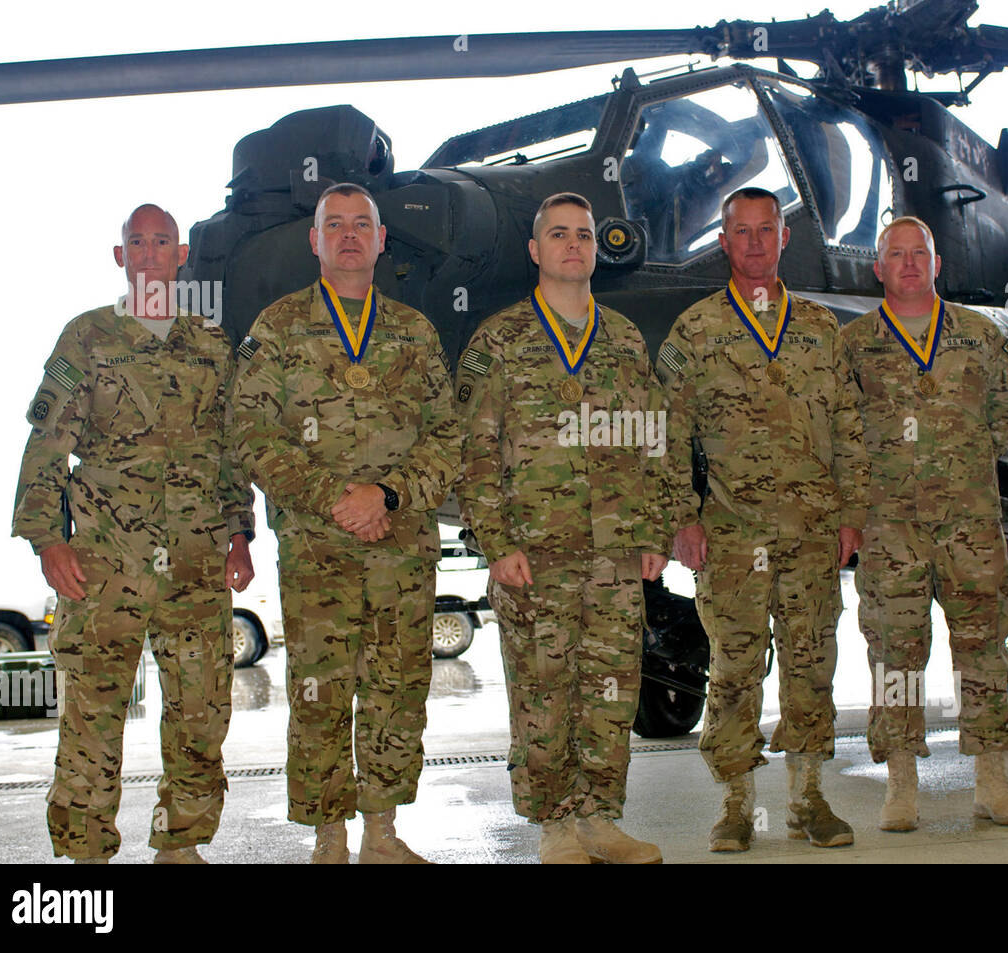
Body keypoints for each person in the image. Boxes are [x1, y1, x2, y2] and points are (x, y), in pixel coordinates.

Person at [13, 204, 255, 864]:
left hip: (197, 563)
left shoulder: (211, 342)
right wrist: (46, 539)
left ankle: (183, 842)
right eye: (136, 242)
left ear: (181, 256)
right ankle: (87, 854)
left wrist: (241, 534)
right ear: (121, 257)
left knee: (202, 711)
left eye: (162, 241)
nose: (149, 251)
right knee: (93, 713)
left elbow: (230, 446)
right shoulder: (86, 337)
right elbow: (47, 441)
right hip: (104, 563)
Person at [231, 183, 461, 863]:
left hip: (402, 546)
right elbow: (250, 432)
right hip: (317, 549)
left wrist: (386, 496)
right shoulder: (276, 329)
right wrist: (338, 498)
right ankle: (328, 838)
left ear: (383, 239)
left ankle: (382, 834)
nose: (351, 235)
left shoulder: (414, 333)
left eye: (364, 224)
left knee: (397, 688)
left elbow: (447, 438)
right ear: (316, 239)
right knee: (321, 691)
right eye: (336, 224)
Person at [456, 192, 669, 864]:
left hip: (614, 553)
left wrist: (656, 530)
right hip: (534, 554)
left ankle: (601, 816)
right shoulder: (500, 341)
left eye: (583, 234)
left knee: (610, 690)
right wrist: (497, 541)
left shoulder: (626, 340)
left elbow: (654, 439)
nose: (573, 245)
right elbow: (472, 453)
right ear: (535, 250)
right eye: (558, 234)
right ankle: (554, 822)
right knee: (543, 693)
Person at [656, 186, 868, 852]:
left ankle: (808, 798)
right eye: (740, 232)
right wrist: (679, 519)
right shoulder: (695, 331)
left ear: (784, 238)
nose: (754, 242)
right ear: (723, 242)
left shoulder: (819, 327)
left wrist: (852, 512)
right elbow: (666, 433)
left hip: (811, 535)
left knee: (812, 664)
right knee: (734, 667)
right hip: (730, 534)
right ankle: (737, 804)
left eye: (765, 230)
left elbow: (849, 425)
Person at [843, 215, 1008, 832]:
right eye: (894, 254)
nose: (908, 263)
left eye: (918, 252)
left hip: (970, 522)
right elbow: (837, 429)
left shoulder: (978, 335)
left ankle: (993, 779)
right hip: (888, 527)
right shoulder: (854, 345)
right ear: (878, 267)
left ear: (936, 262)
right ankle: (901, 780)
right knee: (896, 655)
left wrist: (963, 458)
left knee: (982, 645)